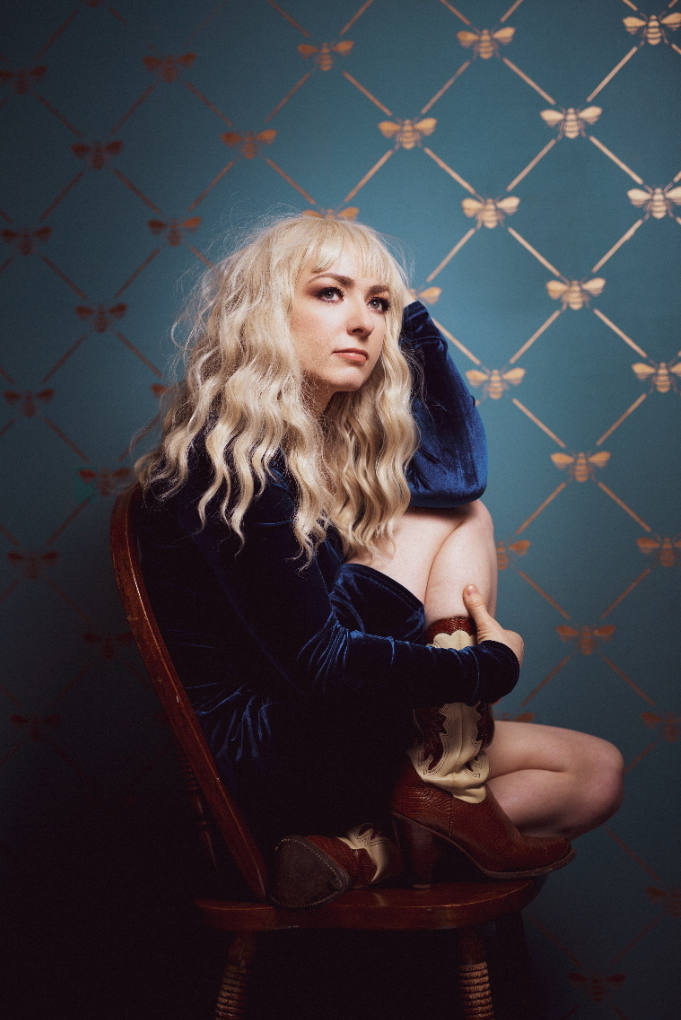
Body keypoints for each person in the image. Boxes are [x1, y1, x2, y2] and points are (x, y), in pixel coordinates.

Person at [135, 215, 624, 908]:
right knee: (463, 518)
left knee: (595, 772)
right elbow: (326, 665)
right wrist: (488, 667)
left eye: (380, 304)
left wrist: (411, 320)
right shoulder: (229, 464)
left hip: (340, 737)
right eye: (330, 293)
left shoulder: (307, 457)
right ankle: (434, 792)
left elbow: (461, 475)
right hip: (275, 764)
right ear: (266, 311)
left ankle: (368, 851)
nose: (364, 322)